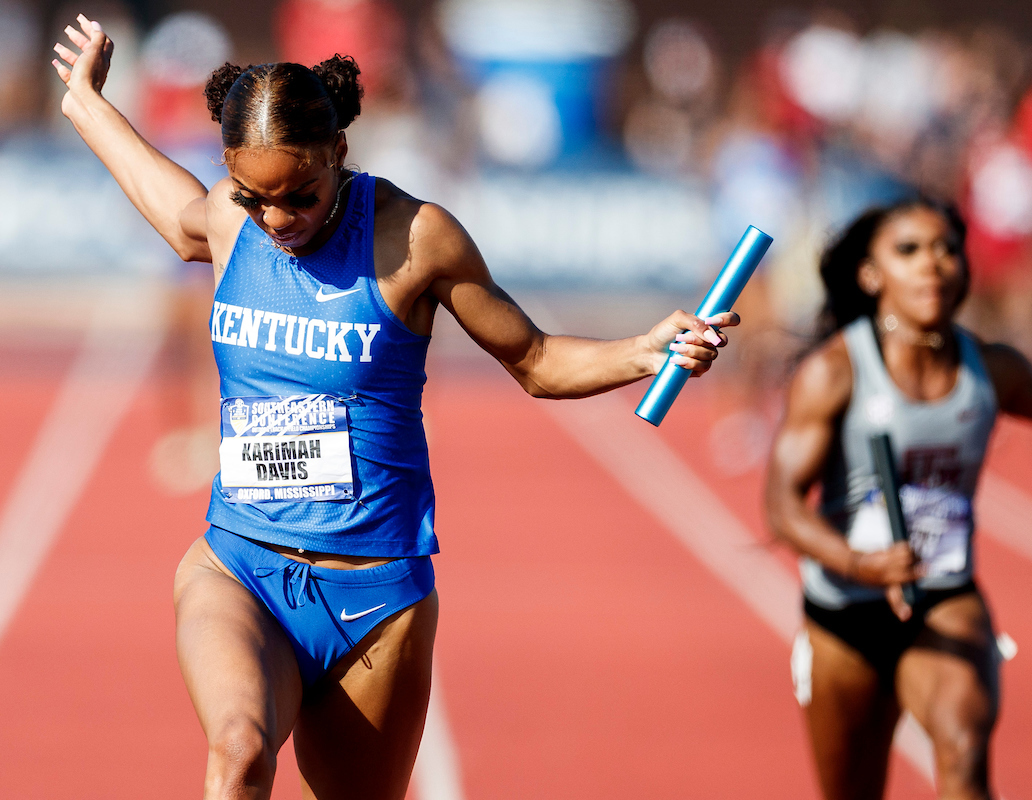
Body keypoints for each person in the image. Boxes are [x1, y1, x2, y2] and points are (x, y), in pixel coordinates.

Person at [52, 14, 740, 799]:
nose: (277, 221)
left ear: (339, 151)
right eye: (254, 197)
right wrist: (86, 102)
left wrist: (645, 351)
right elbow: (170, 205)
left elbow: (536, 361)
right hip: (242, 567)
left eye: (300, 197)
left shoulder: (416, 238)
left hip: (376, 598)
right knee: (238, 753)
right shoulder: (230, 220)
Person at [765, 197, 1032, 800]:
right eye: (909, 251)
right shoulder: (836, 372)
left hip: (944, 595)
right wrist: (860, 563)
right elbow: (782, 505)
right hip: (844, 609)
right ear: (871, 275)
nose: (932, 264)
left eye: (947, 249)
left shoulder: (988, 368)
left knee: (963, 750)